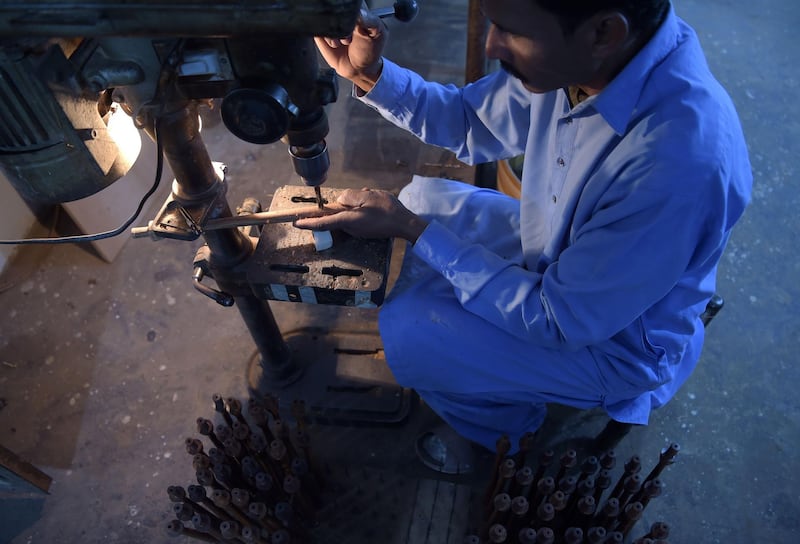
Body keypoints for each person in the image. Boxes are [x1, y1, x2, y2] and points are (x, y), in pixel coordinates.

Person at [295, 0, 752, 461]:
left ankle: (507, 434)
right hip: (564, 253)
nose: (493, 44)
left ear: (603, 33)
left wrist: (413, 232)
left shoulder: (678, 166)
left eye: (511, 31)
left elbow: (557, 318)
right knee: (422, 200)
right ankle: (477, 359)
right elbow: (471, 120)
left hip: (613, 342)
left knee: (409, 331)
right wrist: (368, 74)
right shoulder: (596, 62)